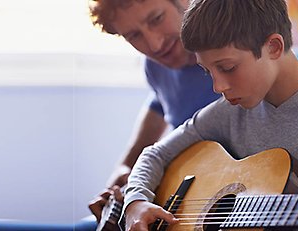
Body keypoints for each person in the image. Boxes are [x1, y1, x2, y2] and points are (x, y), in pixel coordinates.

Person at [121, 0, 298, 230]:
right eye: (208, 72)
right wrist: (135, 202)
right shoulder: (230, 112)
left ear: (274, 47)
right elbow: (154, 154)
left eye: (227, 68)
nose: (218, 87)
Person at [87, 0, 220, 225]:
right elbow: (158, 110)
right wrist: (117, 183)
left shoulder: (235, 58)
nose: (155, 45)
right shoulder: (156, 67)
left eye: (156, 19)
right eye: (133, 36)